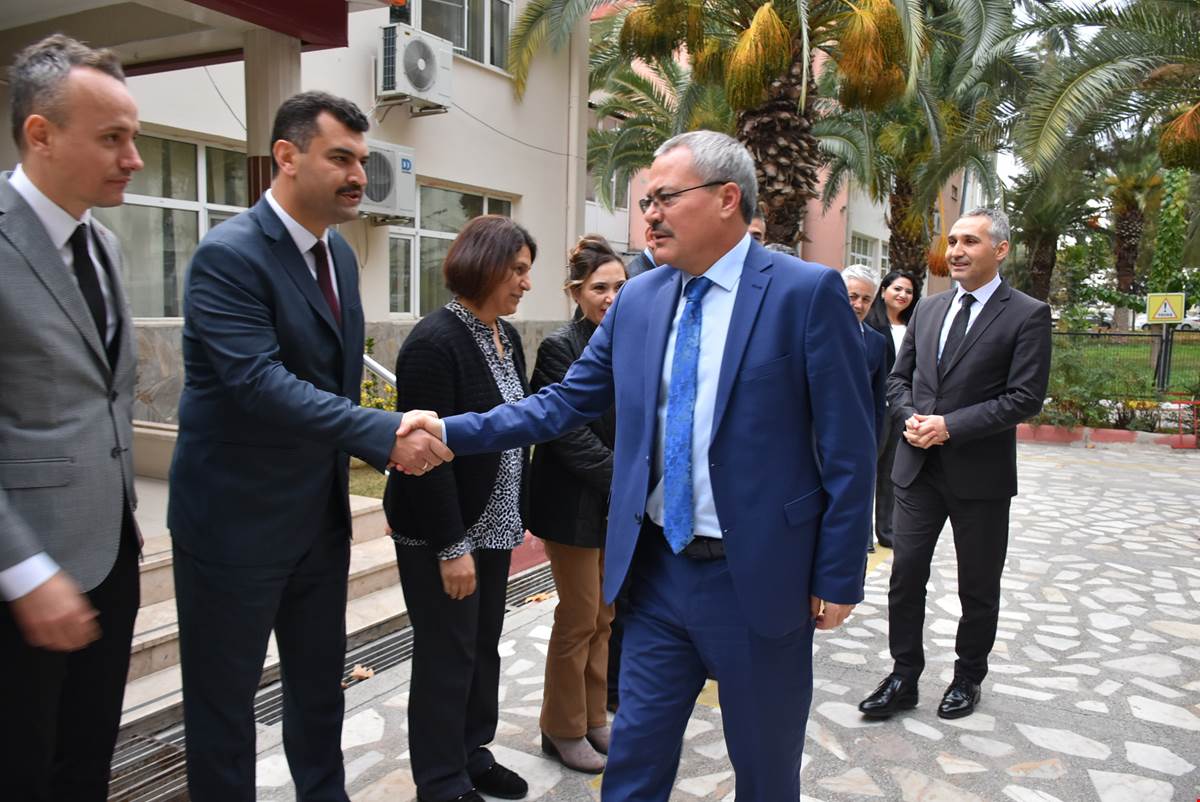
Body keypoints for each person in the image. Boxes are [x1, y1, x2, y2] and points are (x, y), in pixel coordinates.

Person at [398, 130, 875, 800]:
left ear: (727, 198)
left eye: (665, 198)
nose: (649, 214)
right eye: (646, 201)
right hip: (656, 576)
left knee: (766, 775)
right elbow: (562, 403)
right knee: (632, 770)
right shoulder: (640, 299)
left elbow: (849, 446)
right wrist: (451, 429)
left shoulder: (804, 292)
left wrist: (839, 572)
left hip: (758, 579)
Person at [168, 91, 451, 801]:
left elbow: (331, 382)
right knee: (224, 710)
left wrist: (378, 436)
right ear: (287, 157)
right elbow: (258, 383)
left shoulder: (340, 258)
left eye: (363, 161)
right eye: (341, 159)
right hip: (233, 526)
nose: (359, 176)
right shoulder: (229, 255)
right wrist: (383, 432)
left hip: (318, 523)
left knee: (320, 692)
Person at [0, 34, 144, 801]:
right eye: (112, 138)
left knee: (86, 765)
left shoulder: (104, 245)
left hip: (111, 553)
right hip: (22, 576)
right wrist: (23, 572)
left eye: (134, 137)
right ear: (41, 134)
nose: (134, 159)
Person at [858, 209, 1051, 722]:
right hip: (917, 468)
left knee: (978, 587)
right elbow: (898, 380)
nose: (957, 251)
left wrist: (950, 426)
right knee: (905, 577)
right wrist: (910, 418)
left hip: (980, 476)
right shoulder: (928, 308)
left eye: (970, 241)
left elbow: (1025, 397)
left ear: (1001, 250)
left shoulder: (1027, 313)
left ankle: (968, 677)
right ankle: (903, 676)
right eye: (953, 240)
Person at [384, 214, 536, 802]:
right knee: (446, 656)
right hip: (442, 534)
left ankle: (472, 753)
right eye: (517, 270)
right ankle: (440, 780)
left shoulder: (505, 335)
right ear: (485, 265)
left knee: (481, 649)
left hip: (494, 528)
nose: (525, 283)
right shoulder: (434, 342)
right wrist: (452, 548)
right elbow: (426, 461)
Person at [530, 235, 626, 774]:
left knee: (604, 616)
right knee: (578, 617)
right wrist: (623, 478)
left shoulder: (628, 340)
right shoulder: (560, 347)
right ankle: (561, 728)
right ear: (575, 292)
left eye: (619, 287)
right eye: (599, 288)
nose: (611, 297)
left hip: (613, 504)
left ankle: (593, 718)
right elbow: (565, 433)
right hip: (571, 504)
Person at [863, 270, 920, 549]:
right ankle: (864, 536)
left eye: (908, 291)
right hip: (875, 408)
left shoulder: (914, 326)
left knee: (890, 473)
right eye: (897, 289)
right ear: (883, 291)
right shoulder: (870, 325)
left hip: (902, 409)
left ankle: (887, 531)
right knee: (867, 470)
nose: (903, 295)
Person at [842, 263, 887, 446]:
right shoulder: (817, 333)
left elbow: (877, 401)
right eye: (852, 297)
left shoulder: (877, 341)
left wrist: (872, 446)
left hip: (856, 439)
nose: (858, 305)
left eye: (866, 299)